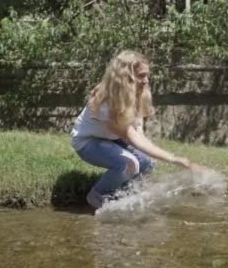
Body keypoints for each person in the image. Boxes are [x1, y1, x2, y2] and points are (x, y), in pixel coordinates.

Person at [71, 50, 200, 209]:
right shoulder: (106, 100)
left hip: (113, 139)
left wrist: (161, 156)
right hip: (88, 142)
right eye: (141, 76)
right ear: (125, 77)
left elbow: (139, 134)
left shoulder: (138, 94)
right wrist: (176, 159)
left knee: (147, 161)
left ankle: (124, 196)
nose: (146, 81)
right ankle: (97, 195)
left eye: (147, 76)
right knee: (130, 164)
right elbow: (132, 138)